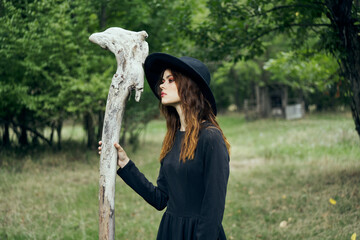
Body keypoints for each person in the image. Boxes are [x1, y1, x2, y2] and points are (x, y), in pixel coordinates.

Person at [98, 53, 230, 240]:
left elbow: (213, 209)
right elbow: (160, 199)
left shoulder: (210, 137)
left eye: (170, 80)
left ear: (189, 86)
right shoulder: (173, 137)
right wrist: (125, 164)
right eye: (162, 80)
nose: (162, 85)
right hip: (170, 232)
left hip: (200, 234)